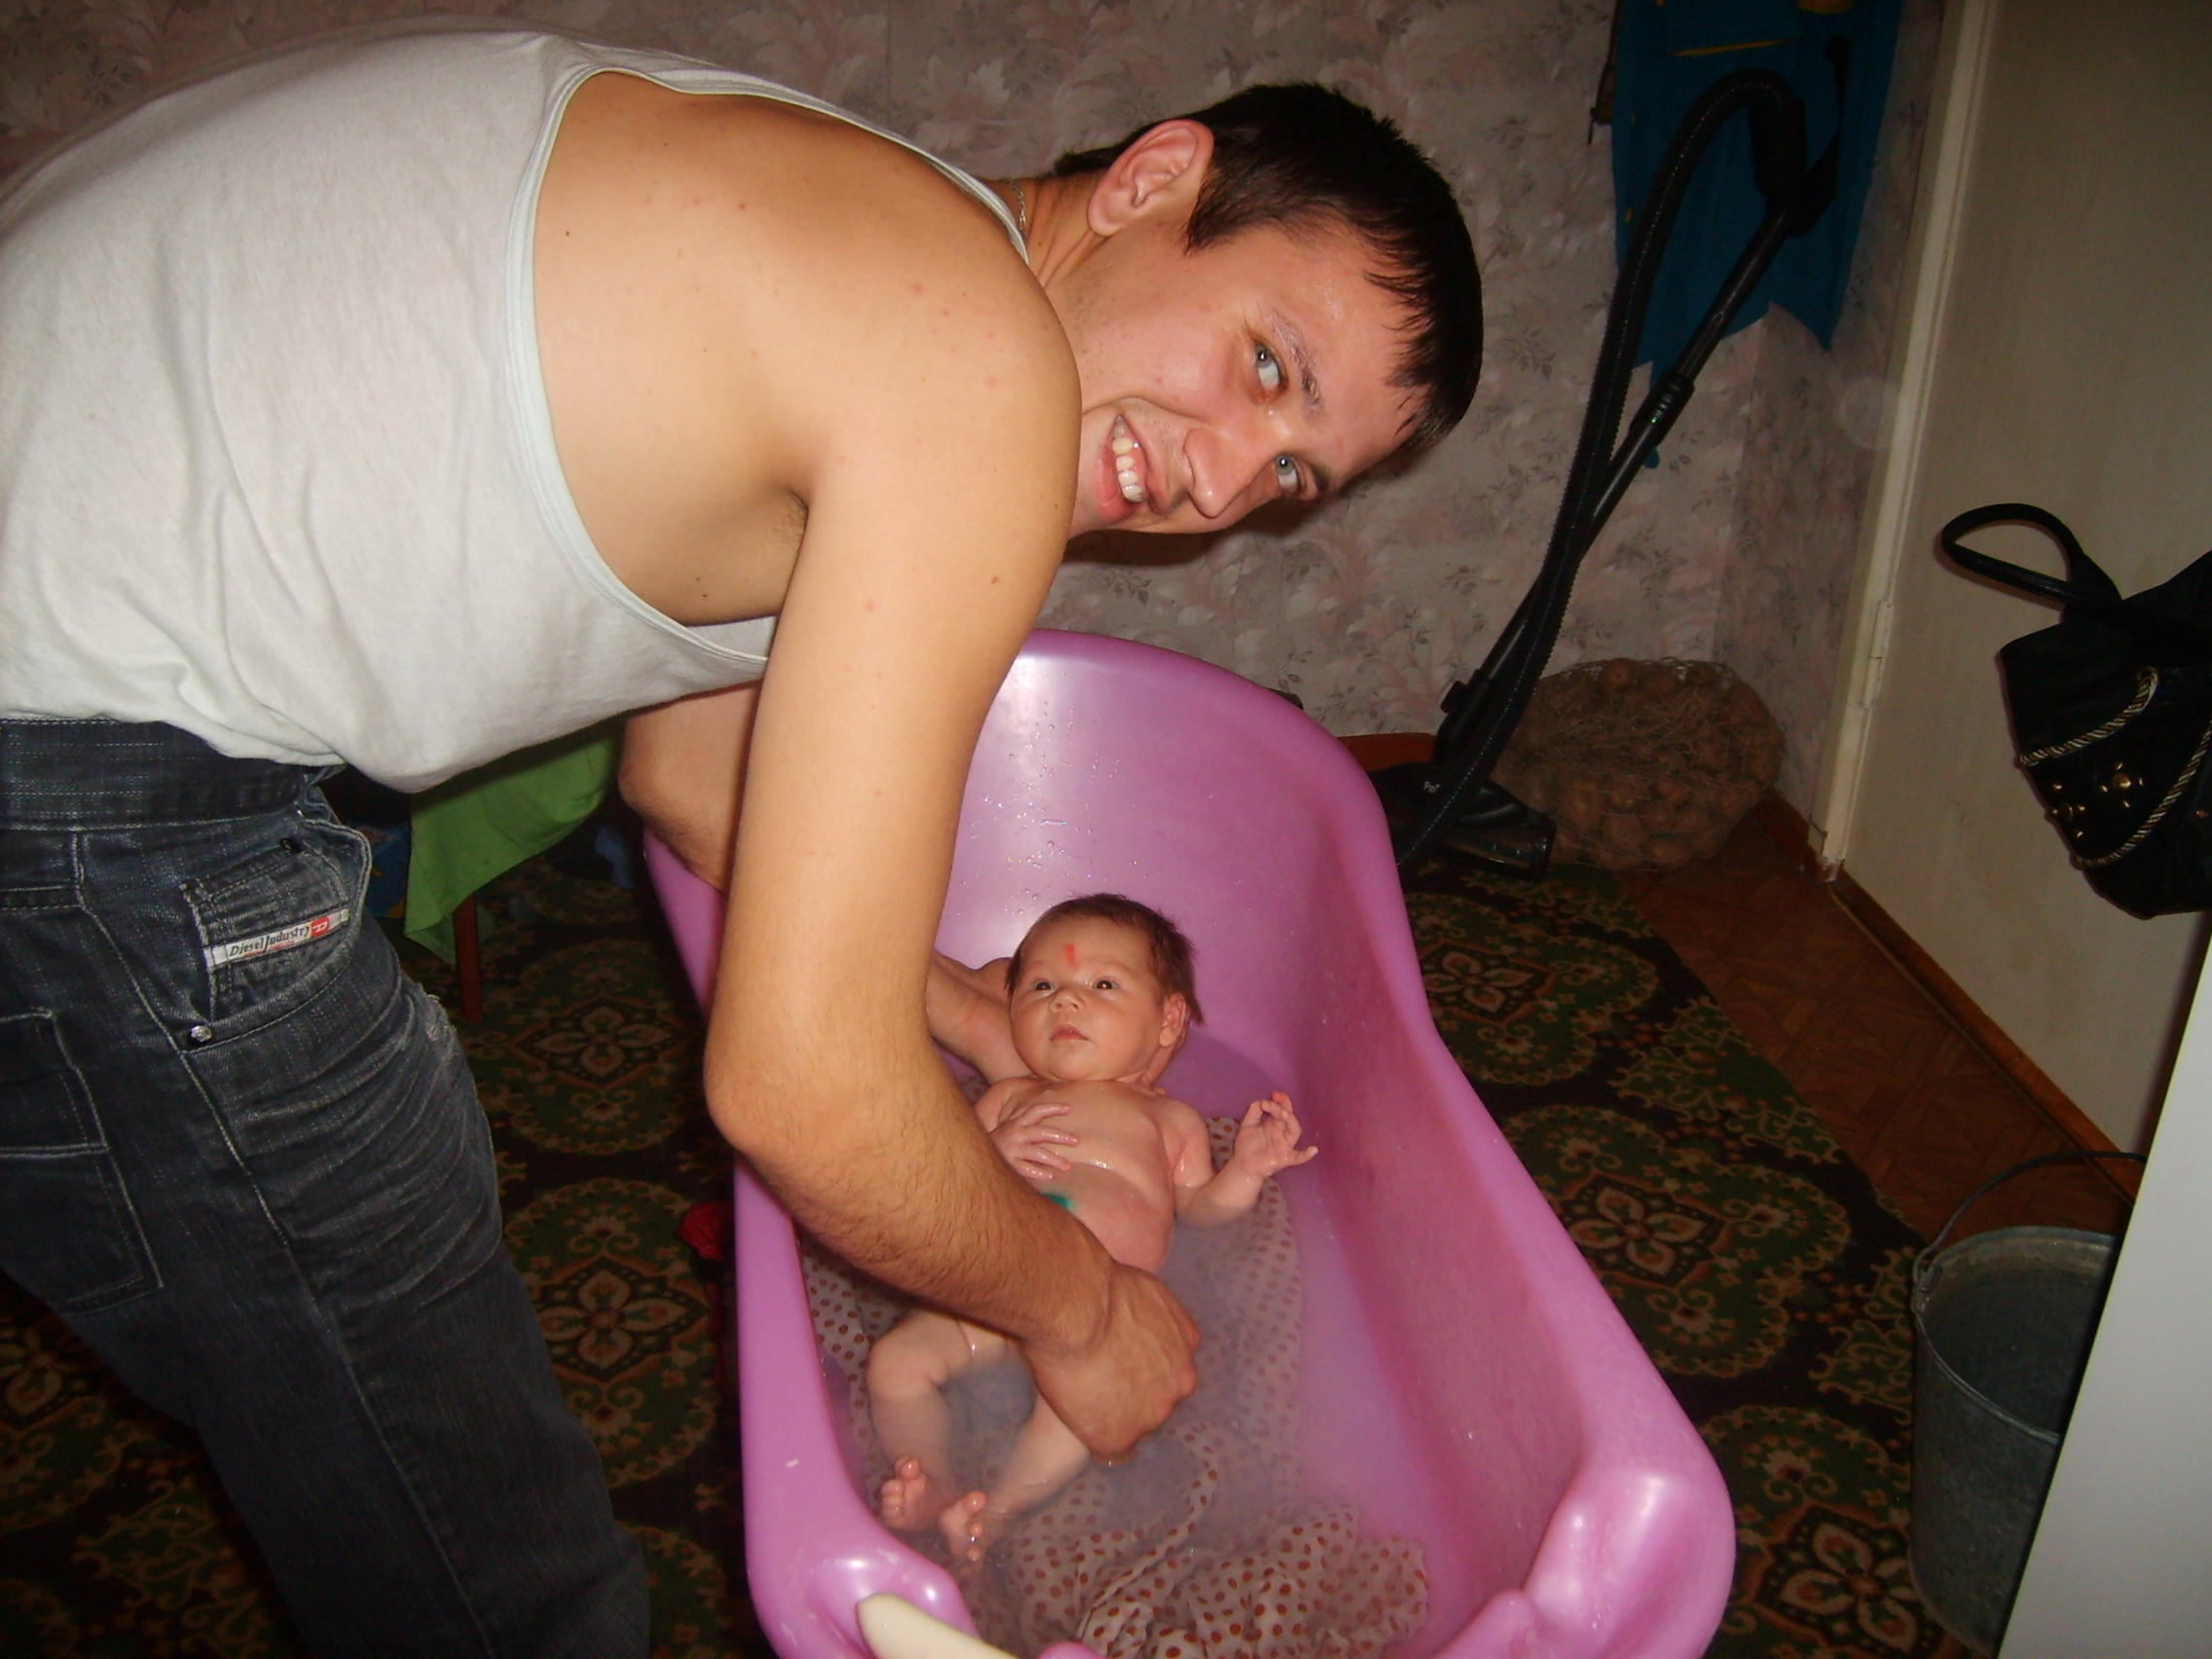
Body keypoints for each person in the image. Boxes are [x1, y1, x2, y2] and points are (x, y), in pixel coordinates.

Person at [0, 22, 1478, 1657]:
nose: (1220, 480)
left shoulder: (871, 238)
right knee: (481, 1560)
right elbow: (798, 1087)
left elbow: (692, 778)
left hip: (60, 650)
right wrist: (1086, 1312)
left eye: (1290, 473)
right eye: (1266, 365)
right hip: (79, 769)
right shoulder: (973, 361)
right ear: (1153, 180)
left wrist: (973, 1014)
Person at [868, 894, 1314, 1569]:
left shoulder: (1171, 1121)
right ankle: (932, 1482)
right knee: (896, 1363)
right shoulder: (1008, 1098)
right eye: (1042, 987)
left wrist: (1246, 1172)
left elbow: (1199, 1211)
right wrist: (992, 1154)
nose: (1066, 1001)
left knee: (1083, 1416)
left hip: (1101, 1319)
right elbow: (945, 1188)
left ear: (1168, 1021)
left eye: (1102, 985)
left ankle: (995, 1514)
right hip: (988, 1293)